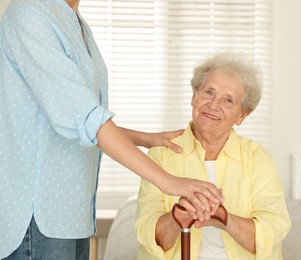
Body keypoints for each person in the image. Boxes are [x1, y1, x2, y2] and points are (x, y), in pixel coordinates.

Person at [0, 0, 224, 259]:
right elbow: (86, 118)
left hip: (72, 214)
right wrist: (169, 182)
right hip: (39, 215)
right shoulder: (30, 14)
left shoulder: (75, 21)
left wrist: (145, 139)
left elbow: (72, 123)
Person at [135, 52, 291, 260]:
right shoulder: (161, 154)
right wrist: (177, 215)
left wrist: (222, 218)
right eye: (209, 92)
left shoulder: (257, 158)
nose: (214, 104)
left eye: (228, 100)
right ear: (194, 96)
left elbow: (273, 231)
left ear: (242, 115)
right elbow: (148, 234)